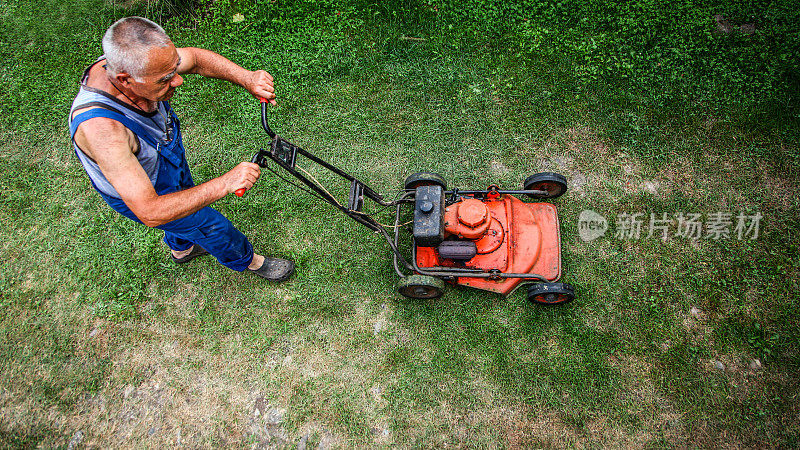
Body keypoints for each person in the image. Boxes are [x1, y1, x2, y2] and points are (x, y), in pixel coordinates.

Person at [68, 16, 294, 281]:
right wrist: (225, 183)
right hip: (145, 193)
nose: (178, 81)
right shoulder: (103, 130)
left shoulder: (142, 62)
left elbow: (196, 59)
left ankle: (182, 250)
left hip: (165, 158)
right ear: (125, 79)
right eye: (165, 79)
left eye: (175, 69)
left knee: (185, 198)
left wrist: (247, 78)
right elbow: (150, 211)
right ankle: (251, 261)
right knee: (210, 225)